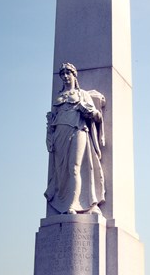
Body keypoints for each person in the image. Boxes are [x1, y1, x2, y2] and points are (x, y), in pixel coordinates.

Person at [45, 63, 105, 215]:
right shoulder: (58, 98)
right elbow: (51, 122)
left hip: (79, 130)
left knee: (74, 167)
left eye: (68, 73)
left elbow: (98, 116)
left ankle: (74, 203)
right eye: (62, 74)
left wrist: (89, 112)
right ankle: (62, 202)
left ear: (74, 75)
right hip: (60, 134)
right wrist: (49, 137)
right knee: (61, 171)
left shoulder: (83, 95)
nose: (65, 76)